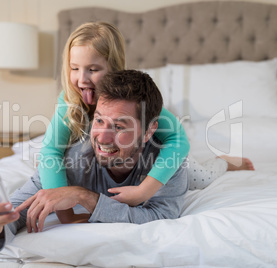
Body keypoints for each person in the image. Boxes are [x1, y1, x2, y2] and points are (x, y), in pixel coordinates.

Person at [37, 21, 253, 209]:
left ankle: (224, 162)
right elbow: (50, 151)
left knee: (201, 178)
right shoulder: (69, 101)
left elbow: (178, 140)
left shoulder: (135, 101)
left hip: (153, 153)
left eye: (92, 69)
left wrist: (144, 191)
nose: (82, 79)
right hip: (112, 159)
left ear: (113, 68)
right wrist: (60, 202)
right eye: (75, 68)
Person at [0, 70, 189, 251]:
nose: (102, 138)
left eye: (120, 127)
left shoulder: (168, 164)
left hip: (180, 166)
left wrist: (85, 197)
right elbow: (18, 212)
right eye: (100, 120)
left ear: (150, 131)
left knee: (201, 174)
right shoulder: (71, 159)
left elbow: (160, 219)